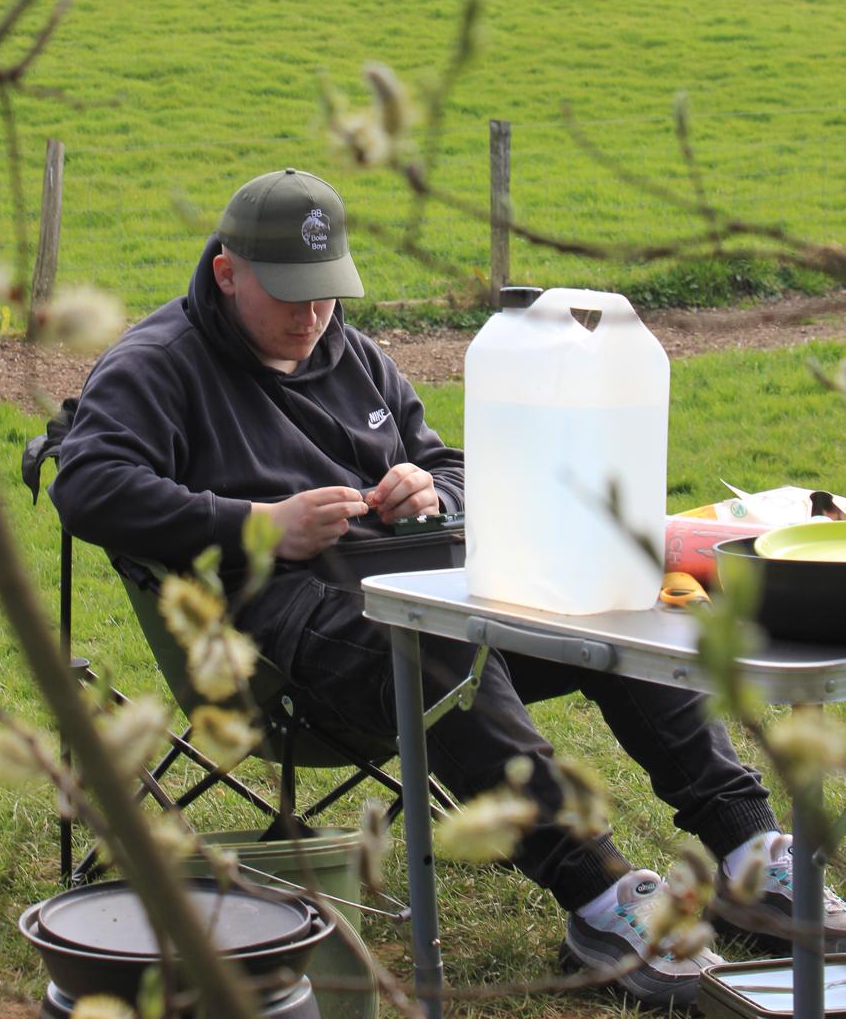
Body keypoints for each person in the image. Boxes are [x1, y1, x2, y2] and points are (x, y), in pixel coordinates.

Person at [52, 167, 846, 1010]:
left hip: (431, 581)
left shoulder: (350, 353)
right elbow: (88, 485)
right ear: (226, 272)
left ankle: (750, 853)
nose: (312, 315)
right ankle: (601, 896)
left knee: (597, 592)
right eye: (290, 295)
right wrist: (257, 522)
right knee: (434, 644)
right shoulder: (156, 364)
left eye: (326, 294)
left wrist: (435, 493)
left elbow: (453, 465)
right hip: (282, 638)